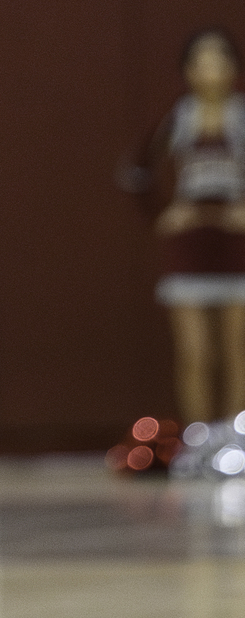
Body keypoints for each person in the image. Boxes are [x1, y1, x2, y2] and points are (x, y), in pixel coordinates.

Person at [118, 28, 245, 424]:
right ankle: (198, 440)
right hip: (190, 247)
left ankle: (234, 442)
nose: (212, 69)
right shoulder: (178, 117)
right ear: (188, 70)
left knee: (235, 352)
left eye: (220, 59)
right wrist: (162, 213)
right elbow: (136, 171)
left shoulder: (241, 116)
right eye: (202, 60)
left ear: (233, 67)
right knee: (195, 352)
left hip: (236, 245)